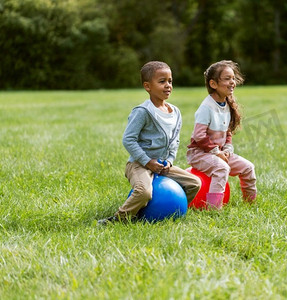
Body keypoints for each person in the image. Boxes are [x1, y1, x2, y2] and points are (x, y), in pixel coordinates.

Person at [99, 61, 201, 225]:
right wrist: (147, 161)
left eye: (170, 81)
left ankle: (174, 210)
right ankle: (119, 219)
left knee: (194, 183)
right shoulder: (143, 112)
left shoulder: (175, 112)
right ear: (147, 86)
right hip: (139, 164)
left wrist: (169, 161)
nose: (168, 85)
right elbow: (128, 139)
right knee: (144, 192)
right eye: (162, 82)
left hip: (162, 165)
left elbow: (175, 141)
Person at [187, 60, 257, 209]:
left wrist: (227, 150)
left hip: (218, 153)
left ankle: (250, 204)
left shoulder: (227, 104)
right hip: (199, 154)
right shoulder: (206, 107)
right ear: (213, 84)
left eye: (233, 78)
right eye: (227, 79)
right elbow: (199, 136)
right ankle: (214, 209)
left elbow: (228, 133)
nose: (232, 82)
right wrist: (216, 152)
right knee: (222, 168)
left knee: (248, 167)